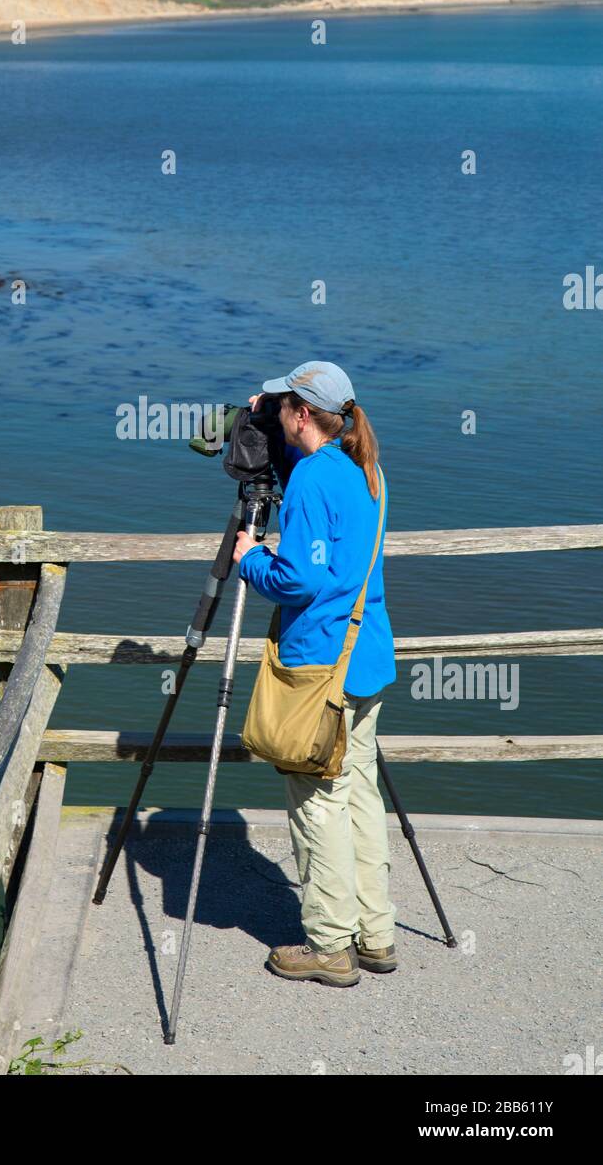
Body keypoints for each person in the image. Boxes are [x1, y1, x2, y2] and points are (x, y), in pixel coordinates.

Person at [233, 360, 397, 988]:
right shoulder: (367, 467)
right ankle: (374, 933)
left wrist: (252, 559)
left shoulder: (308, 482)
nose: (276, 414)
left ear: (302, 415)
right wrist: (263, 409)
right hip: (369, 653)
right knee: (357, 790)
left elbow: (300, 578)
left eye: (282, 407)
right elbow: (337, 563)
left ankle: (329, 945)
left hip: (321, 665)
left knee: (317, 802)